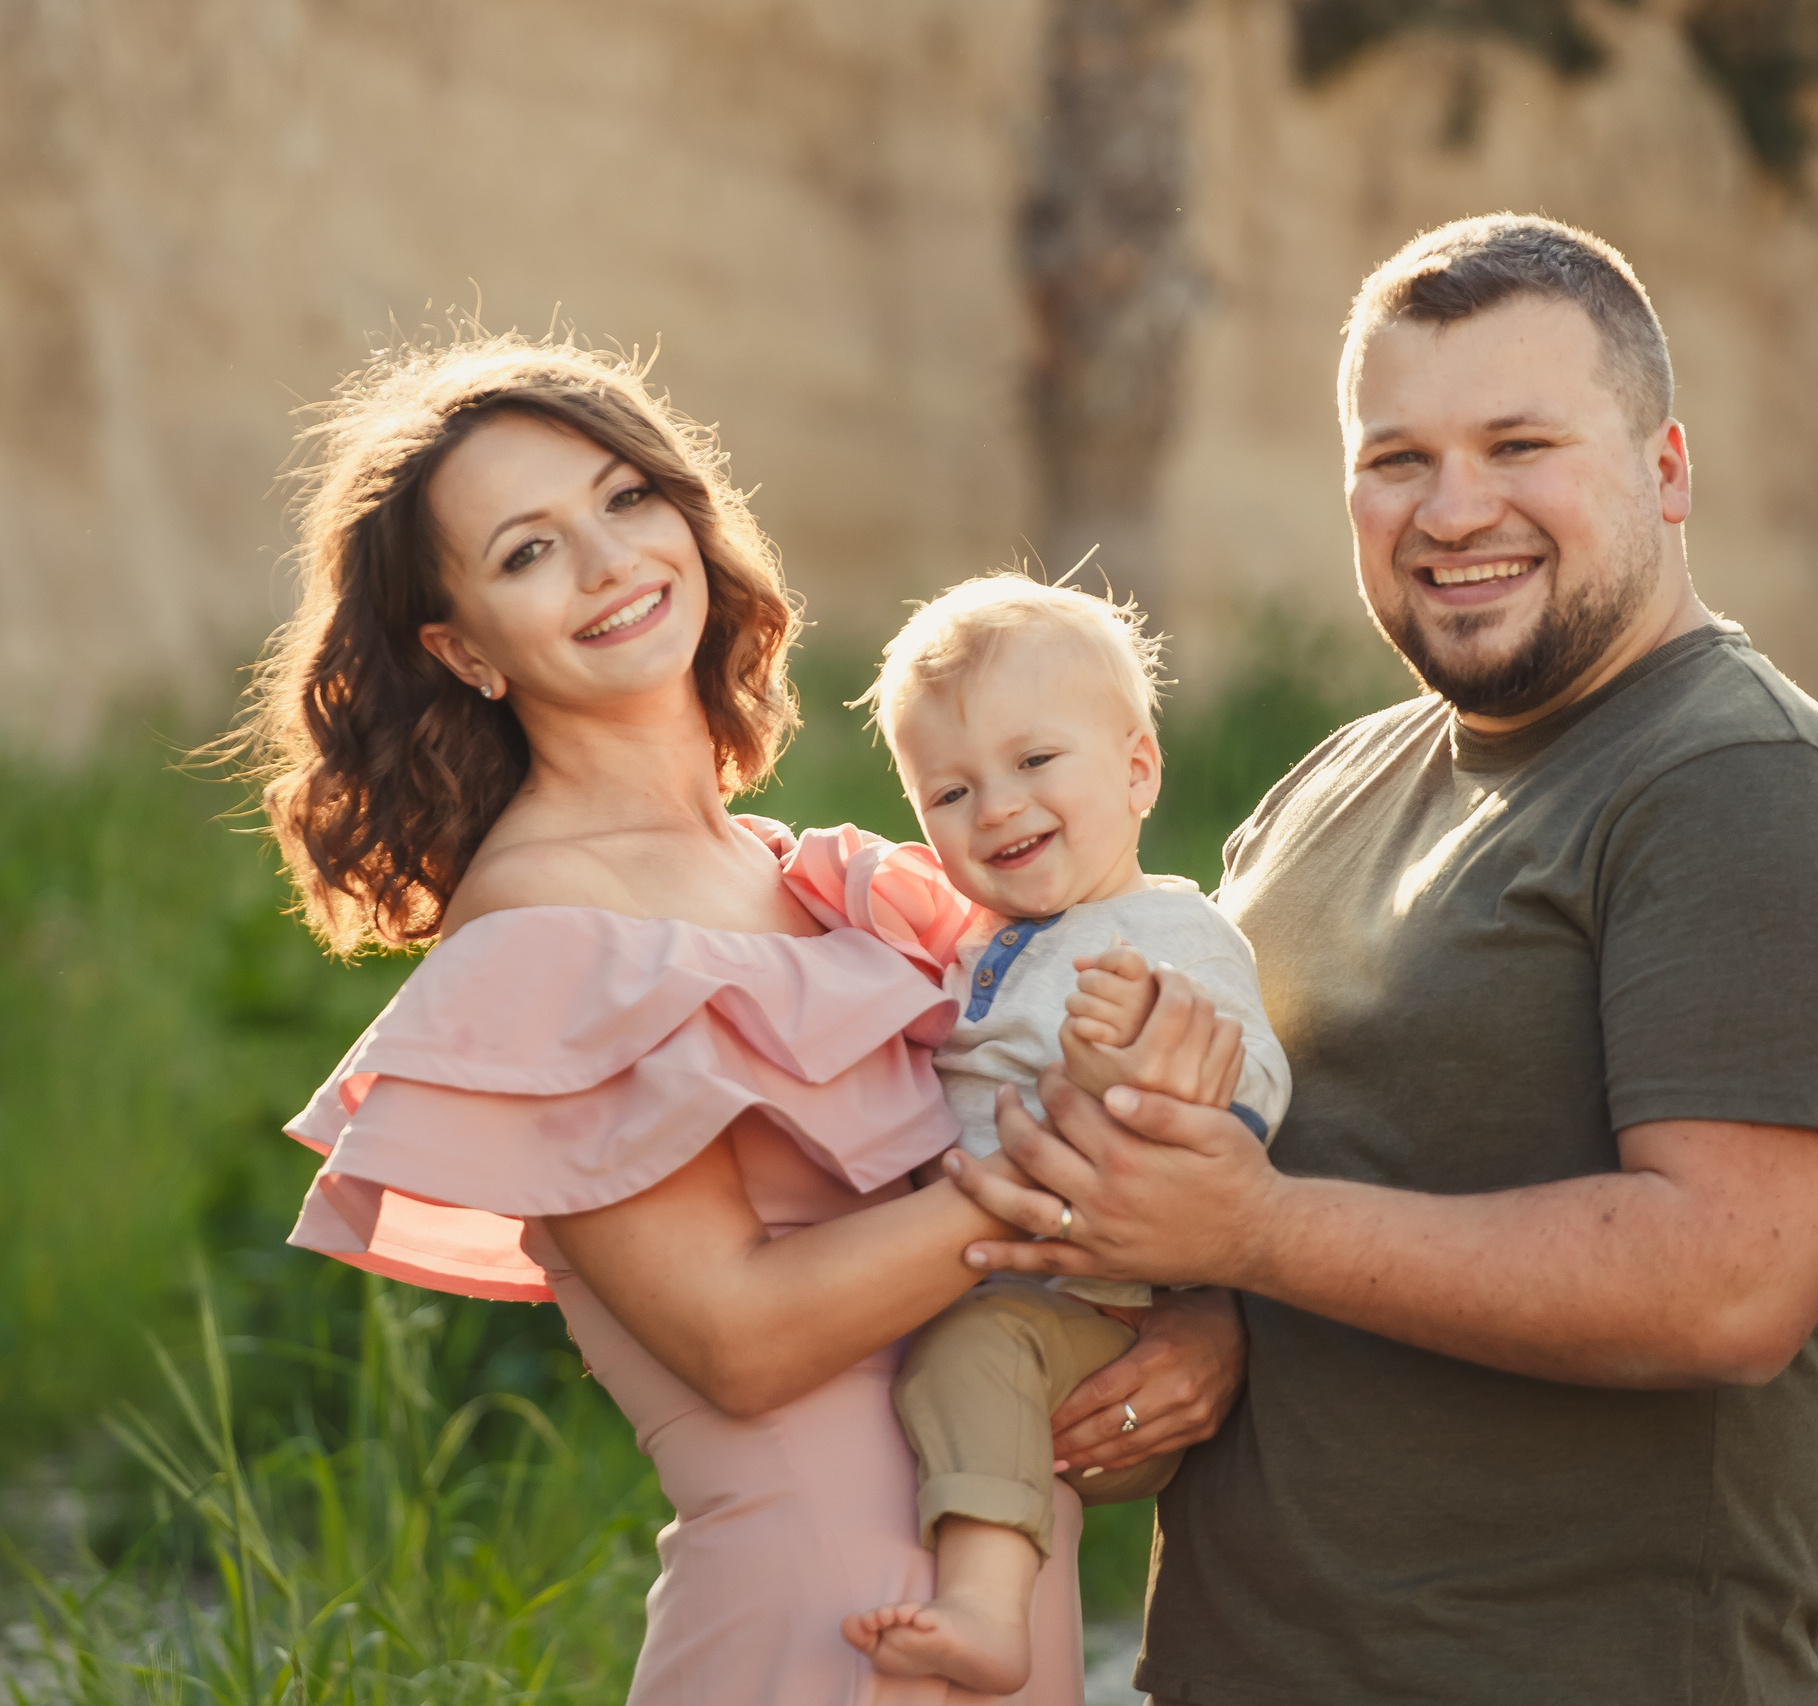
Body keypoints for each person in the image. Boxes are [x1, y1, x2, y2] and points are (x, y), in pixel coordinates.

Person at [945, 214, 1818, 1704]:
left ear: (1668, 472)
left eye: (1519, 443)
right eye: (1397, 458)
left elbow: (1724, 1284)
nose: (1451, 507)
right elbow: (1276, 1163)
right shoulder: (1335, 780)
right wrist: (1213, 1311)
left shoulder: (1751, 789)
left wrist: (1252, 1241)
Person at [231, 334, 1246, 1704]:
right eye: (530, 551)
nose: (609, 563)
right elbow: (740, 1341)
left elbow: (1052, 1276)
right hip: (817, 1637)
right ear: (461, 647)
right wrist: (1054, 1166)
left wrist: (1199, 1318)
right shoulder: (542, 927)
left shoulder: (822, 881)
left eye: (627, 498)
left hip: (1004, 1616)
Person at [792, 576, 1289, 1692]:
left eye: (1034, 762)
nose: (996, 808)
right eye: (951, 790)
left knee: (969, 1354)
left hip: (1095, 1318)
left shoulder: (1166, 934)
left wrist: (1152, 1066)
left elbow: (1252, 1076)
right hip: (992, 1286)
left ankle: (983, 1610)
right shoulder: (981, 944)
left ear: (1139, 769)